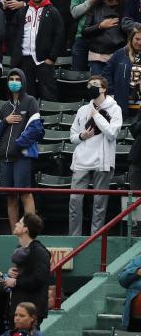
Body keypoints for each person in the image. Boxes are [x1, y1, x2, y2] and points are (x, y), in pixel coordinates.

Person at [69, 75, 122, 236]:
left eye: (95, 84)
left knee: (99, 204)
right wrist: (81, 136)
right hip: (81, 161)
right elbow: (72, 136)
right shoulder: (82, 110)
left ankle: (95, 239)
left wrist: (97, 116)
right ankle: (74, 238)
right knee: (74, 202)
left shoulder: (114, 108)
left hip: (102, 162)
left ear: (103, 88)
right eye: (89, 84)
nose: (91, 86)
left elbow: (112, 133)